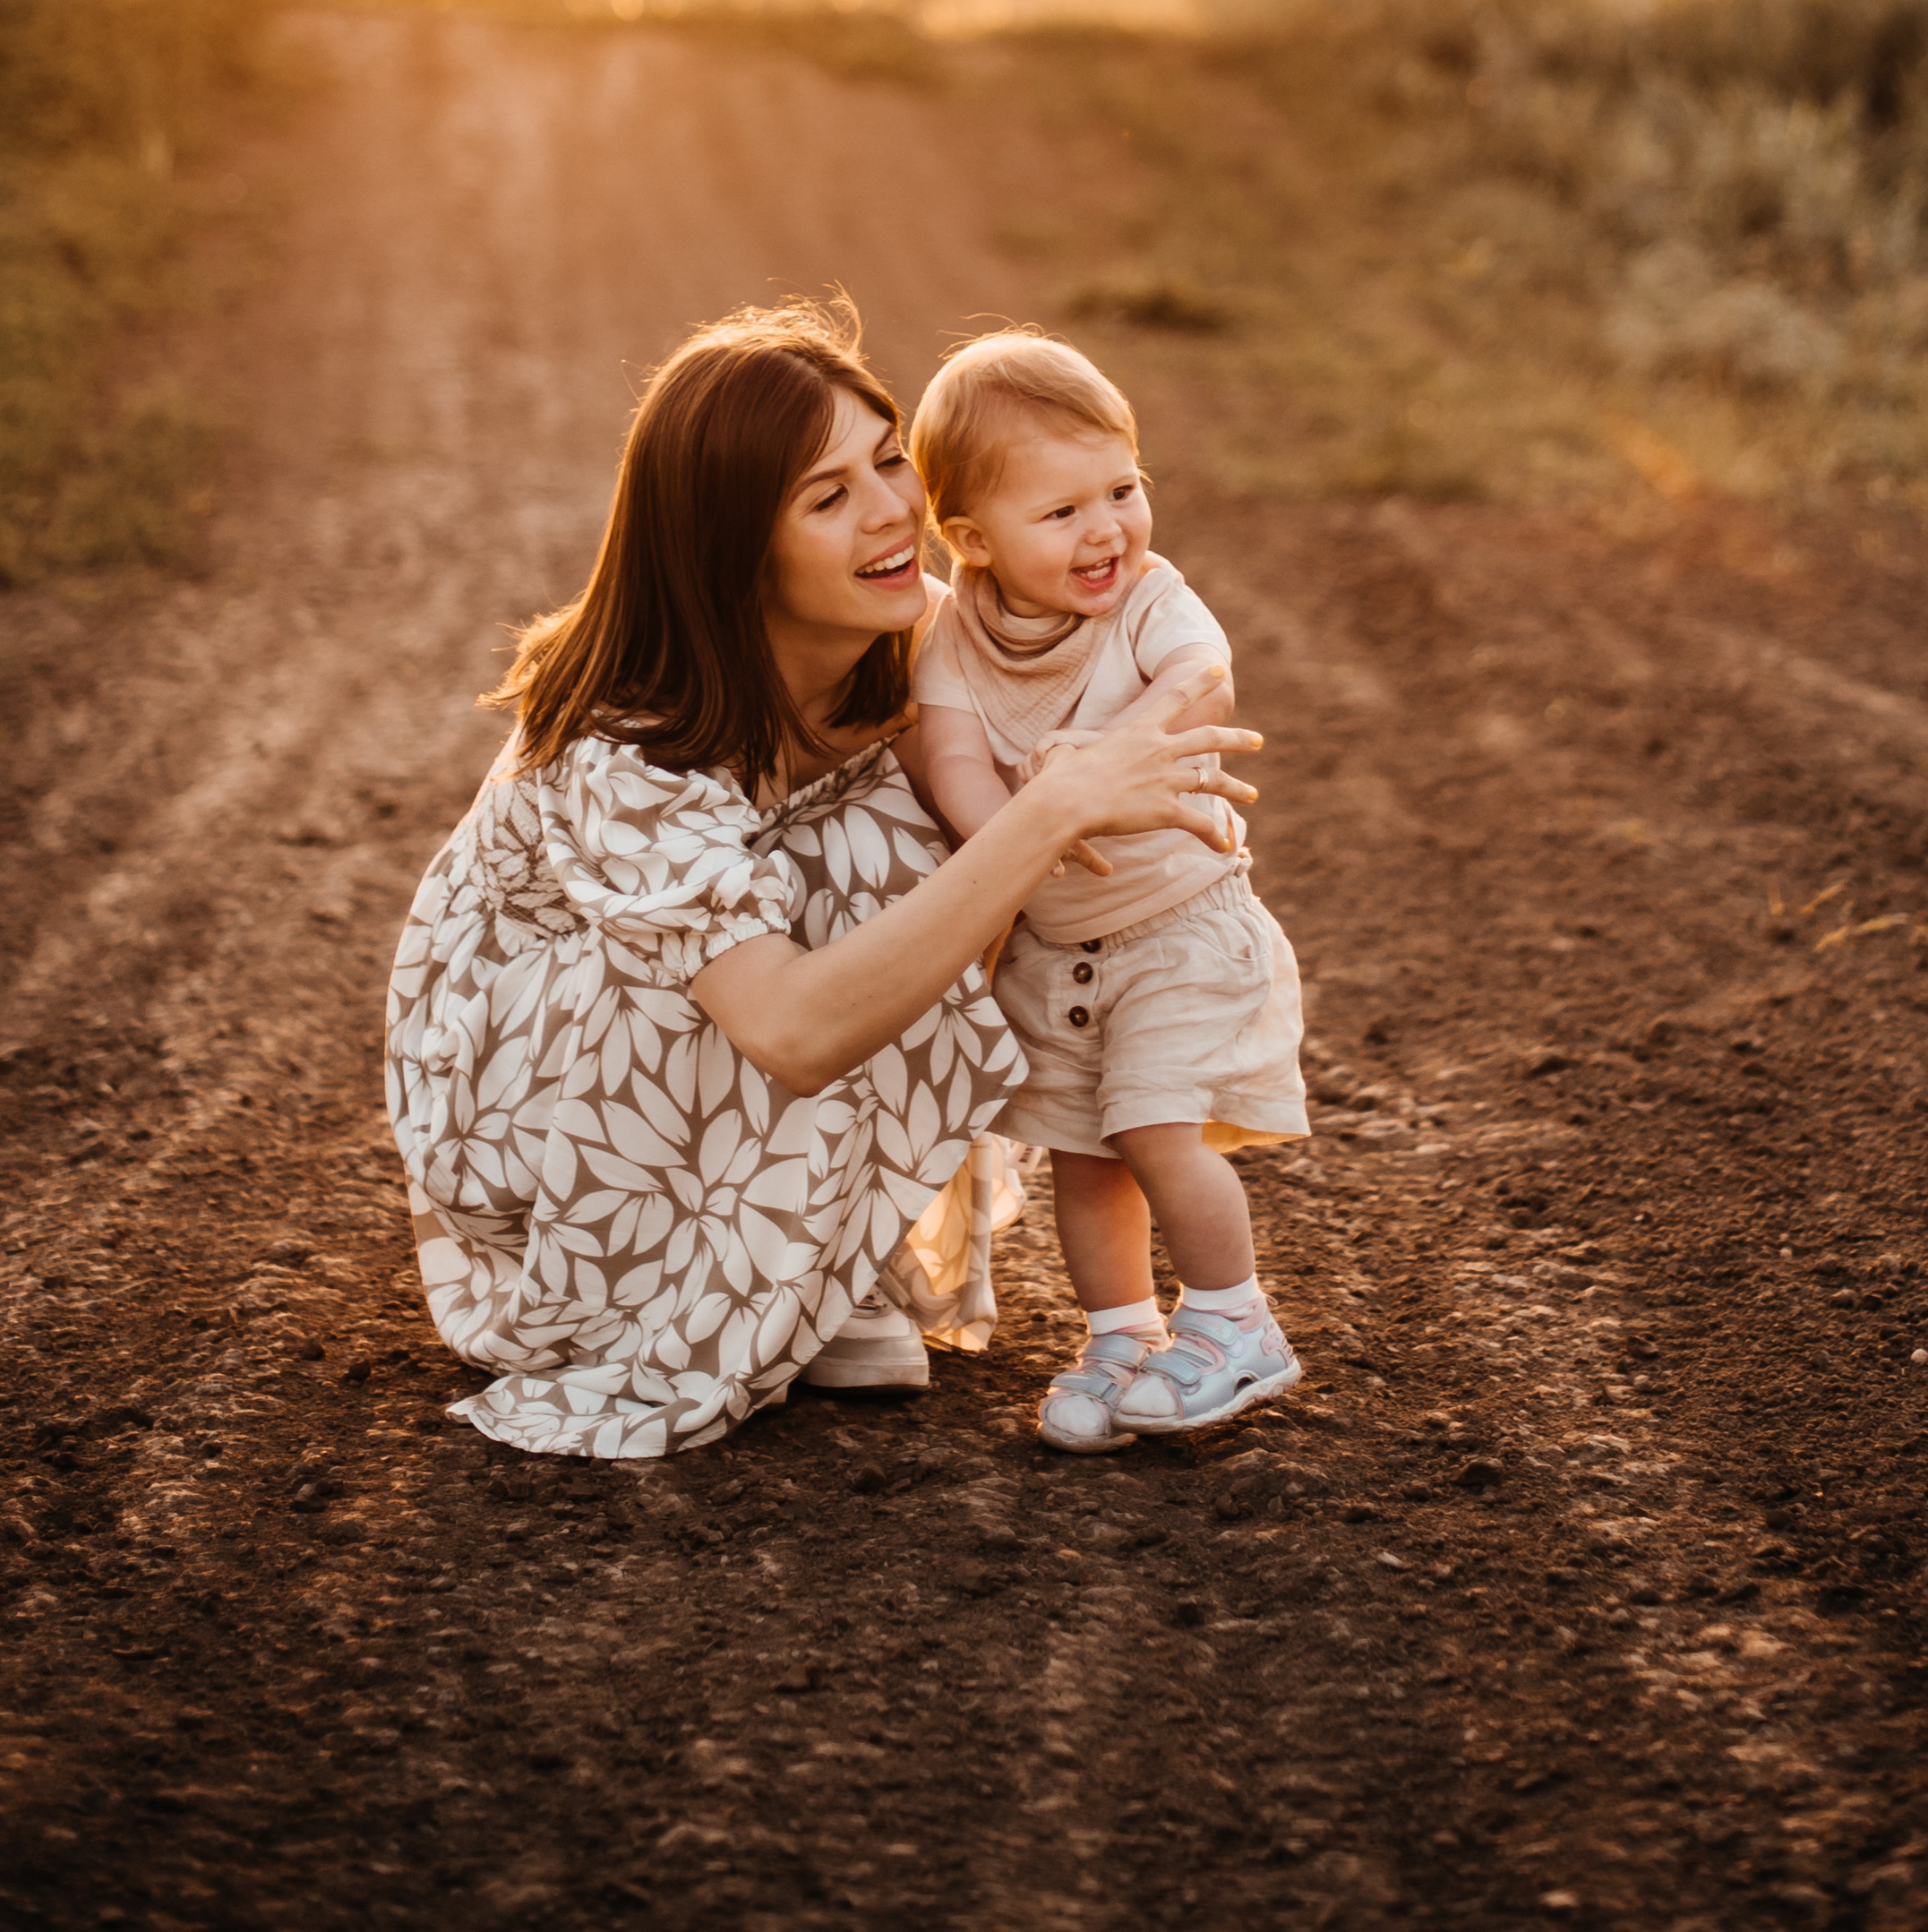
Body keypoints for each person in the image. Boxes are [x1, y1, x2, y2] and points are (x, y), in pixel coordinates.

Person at [383, 299, 1256, 1463]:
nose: (895, 507)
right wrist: (1048, 810)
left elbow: (1116, 736)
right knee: (882, 855)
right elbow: (789, 1028)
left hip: (708, 1037)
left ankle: (833, 1253)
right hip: (544, 1103)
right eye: (828, 495)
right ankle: (683, 1277)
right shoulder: (622, 742)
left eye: (889, 459)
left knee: (937, 813)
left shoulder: (926, 641)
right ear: (737, 546)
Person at [908, 331, 1307, 1454]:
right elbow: (950, 766)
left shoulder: (1149, 600)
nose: (1108, 529)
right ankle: (1122, 1336)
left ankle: (1235, 1321)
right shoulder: (950, 633)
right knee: (1086, 1156)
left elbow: (1200, 679)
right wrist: (1020, 840)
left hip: (1182, 926)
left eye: (1122, 489)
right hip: (1061, 948)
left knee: (1151, 1129)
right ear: (971, 541)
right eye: (1062, 512)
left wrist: (1099, 762)